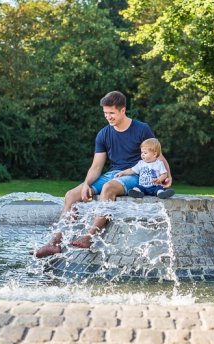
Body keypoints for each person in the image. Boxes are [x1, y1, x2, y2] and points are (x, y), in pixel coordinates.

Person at [32, 91, 172, 258]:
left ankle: (89, 237)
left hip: (137, 174)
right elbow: (96, 166)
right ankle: (53, 244)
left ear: (122, 110)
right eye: (105, 113)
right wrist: (86, 184)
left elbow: (159, 156)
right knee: (71, 195)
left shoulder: (142, 129)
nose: (108, 117)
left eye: (111, 113)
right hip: (114, 174)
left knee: (108, 187)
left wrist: (167, 176)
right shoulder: (104, 134)